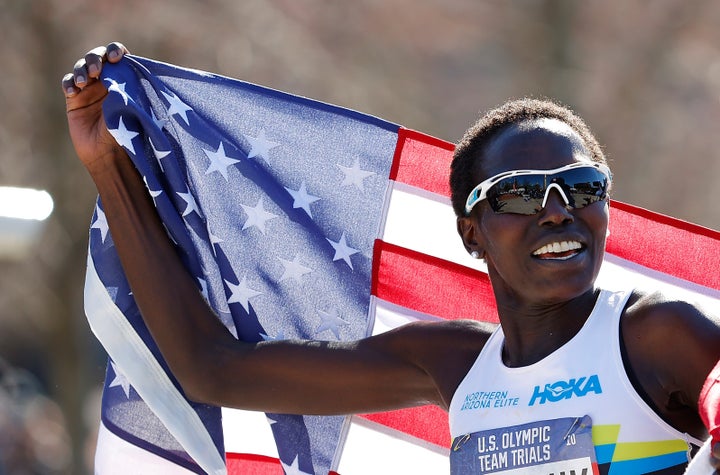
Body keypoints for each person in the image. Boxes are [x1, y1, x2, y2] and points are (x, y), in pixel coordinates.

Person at [63, 42, 720, 474]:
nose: (557, 209)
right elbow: (216, 371)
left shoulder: (657, 333)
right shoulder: (453, 364)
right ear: (472, 233)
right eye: (520, 194)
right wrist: (110, 169)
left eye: (582, 188)